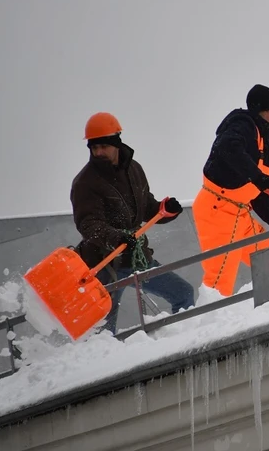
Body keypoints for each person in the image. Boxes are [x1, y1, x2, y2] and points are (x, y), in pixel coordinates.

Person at [70, 112, 195, 334]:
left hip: (137, 258)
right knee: (102, 332)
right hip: (104, 265)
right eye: (94, 147)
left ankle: (183, 340)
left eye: (103, 146)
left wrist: (167, 210)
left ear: (116, 143)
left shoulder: (134, 169)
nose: (98, 152)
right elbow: (89, 224)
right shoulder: (85, 182)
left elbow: (147, 208)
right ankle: (102, 356)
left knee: (183, 294)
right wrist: (117, 238)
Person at [191, 84, 269, 296]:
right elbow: (227, 147)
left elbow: (258, 195)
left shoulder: (261, 139)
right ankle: (211, 316)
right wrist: (258, 177)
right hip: (218, 212)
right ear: (264, 111)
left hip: (240, 213)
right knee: (219, 282)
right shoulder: (243, 125)